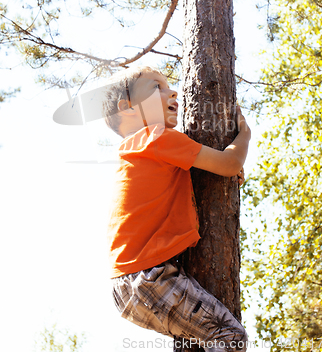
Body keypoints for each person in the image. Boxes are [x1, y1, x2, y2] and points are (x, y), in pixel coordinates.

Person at [102, 65, 251, 352]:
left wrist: (229, 173)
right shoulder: (156, 137)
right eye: (156, 87)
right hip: (146, 278)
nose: (172, 91)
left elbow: (199, 179)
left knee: (198, 344)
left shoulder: (142, 151)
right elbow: (228, 163)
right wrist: (244, 134)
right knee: (228, 336)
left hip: (134, 282)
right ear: (128, 108)